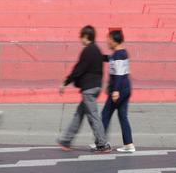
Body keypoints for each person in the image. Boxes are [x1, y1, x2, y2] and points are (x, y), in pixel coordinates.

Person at [57, 25, 111, 153]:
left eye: (81, 36)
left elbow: (78, 69)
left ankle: (102, 144)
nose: (80, 39)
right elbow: (105, 58)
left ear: (86, 36)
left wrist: (65, 82)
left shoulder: (87, 50)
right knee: (79, 114)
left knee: (93, 116)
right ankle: (66, 140)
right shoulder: (96, 49)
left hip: (89, 89)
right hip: (95, 87)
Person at [100, 30, 135, 152]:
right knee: (122, 116)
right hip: (126, 89)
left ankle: (101, 142)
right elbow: (109, 58)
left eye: (108, 39)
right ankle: (129, 144)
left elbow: (119, 74)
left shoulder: (118, 55)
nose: (107, 42)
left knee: (105, 115)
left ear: (114, 40)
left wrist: (115, 91)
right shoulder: (121, 53)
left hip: (119, 90)